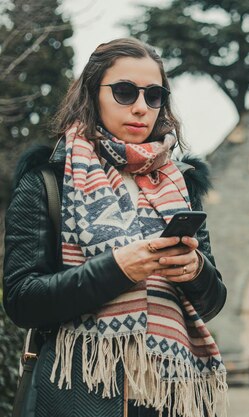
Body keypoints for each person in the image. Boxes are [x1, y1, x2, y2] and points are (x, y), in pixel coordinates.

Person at [2, 38, 228, 417]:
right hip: (78, 394)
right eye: (124, 92)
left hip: (169, 396)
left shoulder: (181, 183)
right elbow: (23, 301)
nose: (141, 107)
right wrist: (115, 269)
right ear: (92, 93)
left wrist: (195, 271)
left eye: (154, 95)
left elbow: (212, 302)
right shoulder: (49, 180)